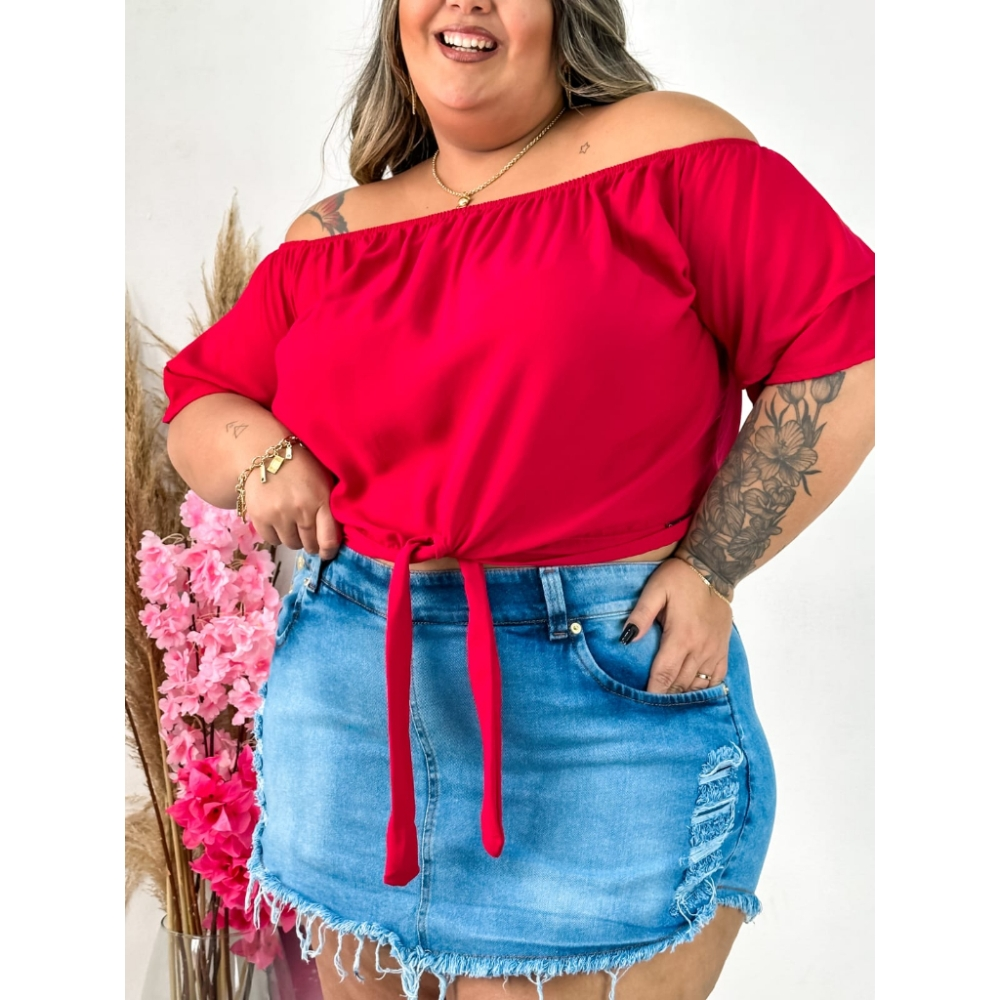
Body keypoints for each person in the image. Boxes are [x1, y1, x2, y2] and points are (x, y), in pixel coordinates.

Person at [161, 2, 875, 998]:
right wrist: (260, 455)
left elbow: (842, 355)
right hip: (354, 697)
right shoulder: (331, 235)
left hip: (601, 697)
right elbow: (199, 400)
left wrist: (713, 565)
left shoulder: (671, 152)